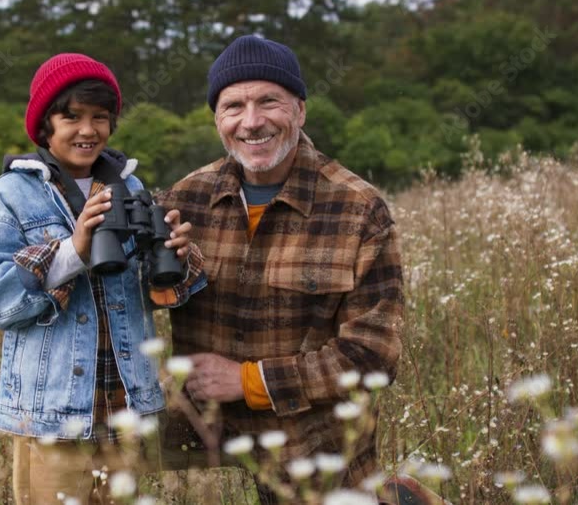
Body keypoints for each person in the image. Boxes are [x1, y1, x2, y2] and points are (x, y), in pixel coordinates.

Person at [157, 35, 404, 500]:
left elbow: (374, 355)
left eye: (269, 101)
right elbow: (116, 271)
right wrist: (8, 260)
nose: (251, 122)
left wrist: (249, 381)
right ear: (217, 119)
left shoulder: (358, 209)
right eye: (233, 106)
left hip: (314, 458)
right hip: (203, 456)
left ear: (300, 110)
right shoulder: (185, 198)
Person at [0, 52, 206, 504]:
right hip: (52, 412)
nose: (88, 130)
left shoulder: (129, 188)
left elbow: (148, 297)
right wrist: (73, 250)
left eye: (100, 117)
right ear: (44, 126)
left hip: (125, 405)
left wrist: (173, 258)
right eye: (70, 116)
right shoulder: (9, 195)